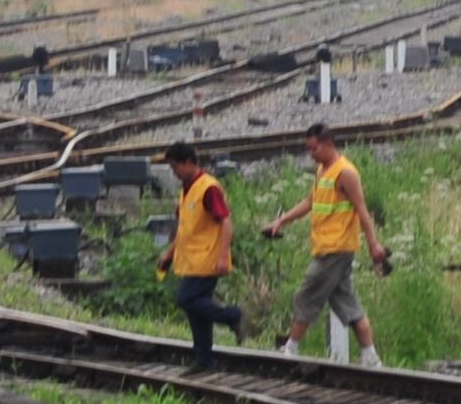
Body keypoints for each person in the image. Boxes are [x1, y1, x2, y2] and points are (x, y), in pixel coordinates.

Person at [263, 123, 390, 367]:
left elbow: (363, 211)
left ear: (328, 144)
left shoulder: (346, 173)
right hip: (325, 247)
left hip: (337, 248)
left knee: (305, 295)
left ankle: (291, 348)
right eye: (309, 149)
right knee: (347, 303)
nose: (311, 154)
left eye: (314, 148)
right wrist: (282, 221)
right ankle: (371, 357)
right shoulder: (323, 170)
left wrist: (374, 244)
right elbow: (311, 201)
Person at [158, 141, 242, 371]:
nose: (174, 173)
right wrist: (169, 253)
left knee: (186, 299)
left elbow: (225, 222)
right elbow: (186, 228)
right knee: (196, 311)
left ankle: (232, 315)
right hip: (192, 260)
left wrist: (224, 256)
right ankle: (204, 359)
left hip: (208, 259)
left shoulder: (208, 188)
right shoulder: (187, 189)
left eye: (175, 167)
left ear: (187, 163)